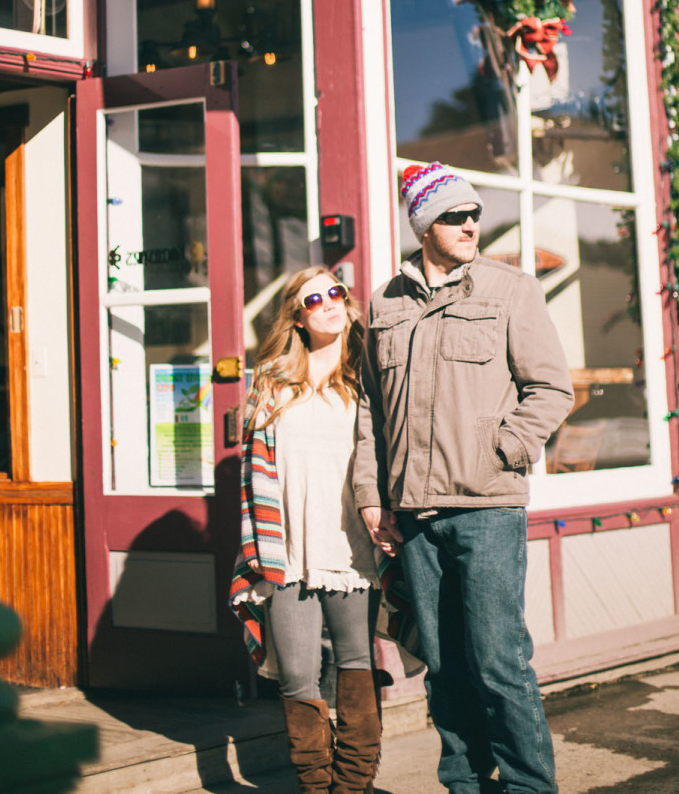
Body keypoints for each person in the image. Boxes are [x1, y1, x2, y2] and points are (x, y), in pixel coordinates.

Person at [354, 162, 575, 794]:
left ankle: (532, 787)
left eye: (474, 213)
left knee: (500, 661)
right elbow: (372, 408)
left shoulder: (510, 291)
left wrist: (502, 450)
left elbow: (550, 389)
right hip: (415, 517)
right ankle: (467, 784)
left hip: (486, 509)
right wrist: (374, 497)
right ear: (423, 225)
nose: (470, 224)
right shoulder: (385, 303)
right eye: (454, 216)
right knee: (444, 666)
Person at [230, 267, 381, 793]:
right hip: (285, 548)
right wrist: (257, 549)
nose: (328, 304)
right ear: (297, 314)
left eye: (335, 292)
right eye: (313, 299)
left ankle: (353, 786)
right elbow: (252, 474)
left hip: (351, 547)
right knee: (296, 676)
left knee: (356, 665)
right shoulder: (270, 379)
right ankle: (316, 788)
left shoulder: (370, 372)